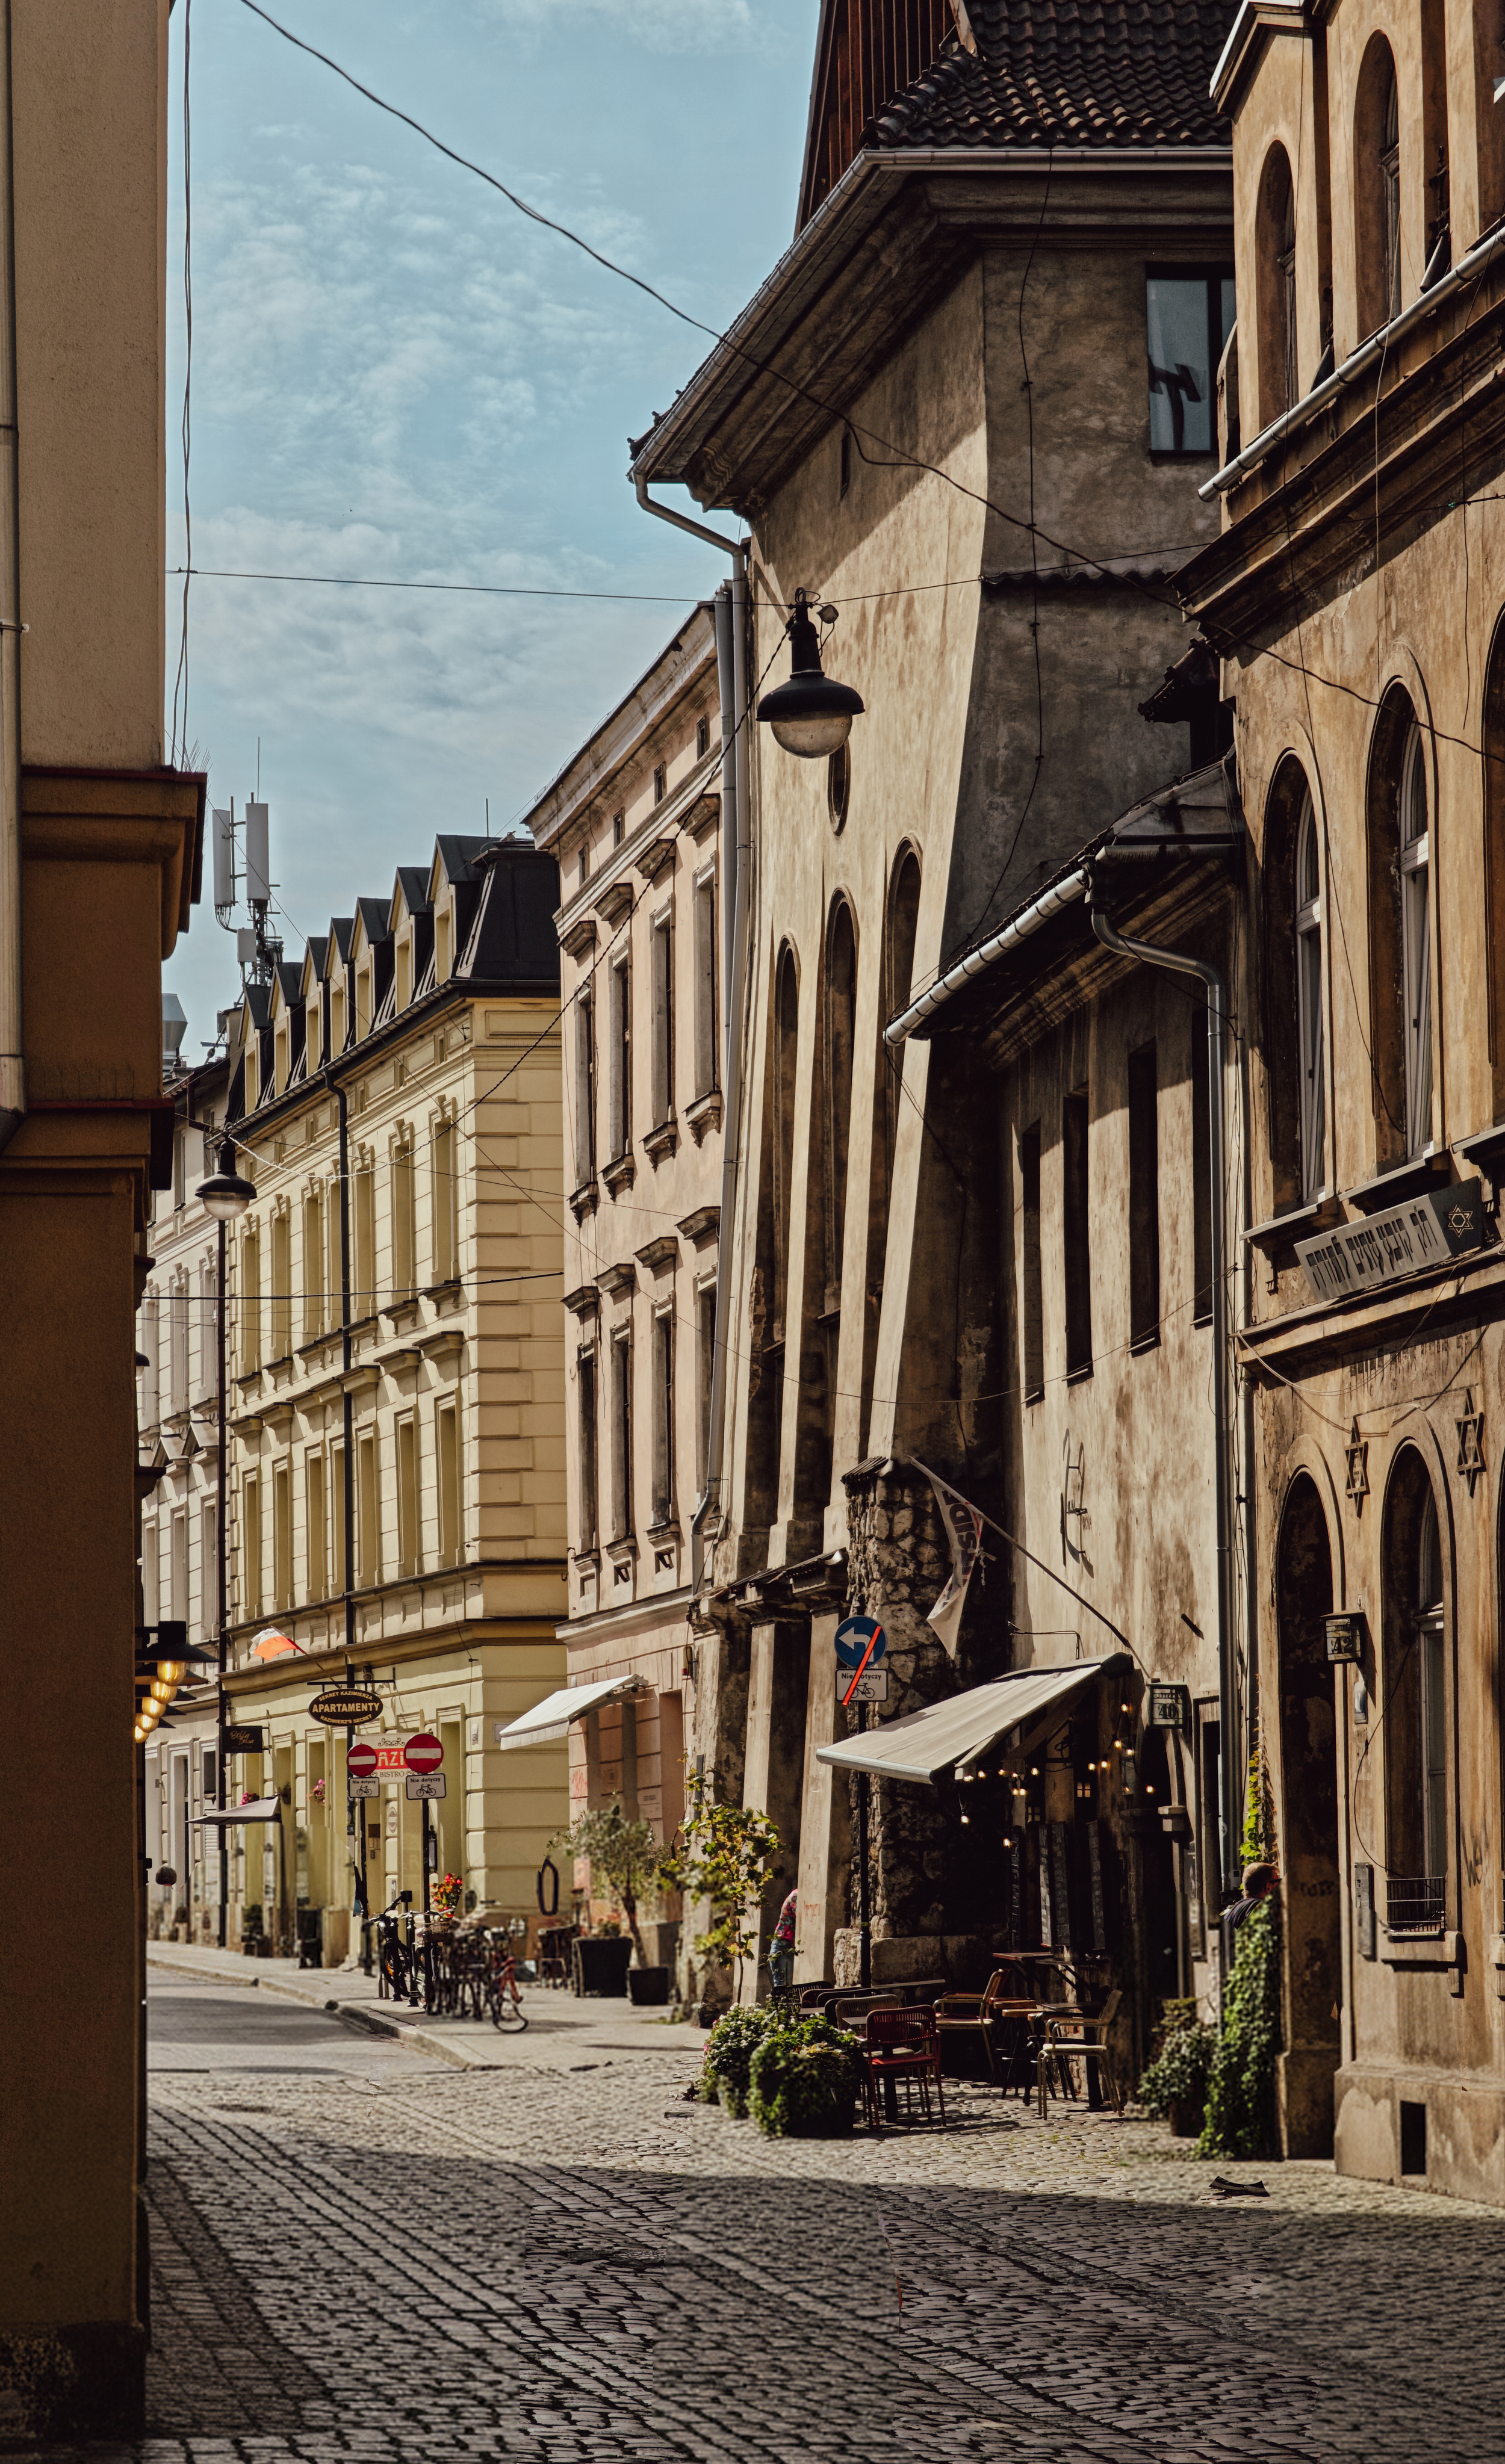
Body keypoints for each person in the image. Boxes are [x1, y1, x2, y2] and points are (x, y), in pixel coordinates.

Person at [769, 1885, 799, 1996]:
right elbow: (800, 1917)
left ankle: (780, 2011)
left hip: (783, 1944)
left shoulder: (796, 1894)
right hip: (783, 1944)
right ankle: (780, 2011)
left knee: (782, 1986)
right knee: (782, 1987)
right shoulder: (797, 1895)